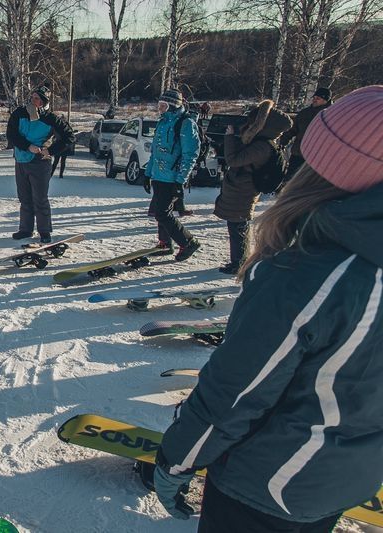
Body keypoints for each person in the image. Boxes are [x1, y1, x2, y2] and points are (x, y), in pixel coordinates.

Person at [153, 85, 383, 533]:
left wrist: (176, 461)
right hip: (341, 480)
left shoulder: (309, 275)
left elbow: (233, 397)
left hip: (264, 489)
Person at [214, 99, 292, 275]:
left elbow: (234, 160)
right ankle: (239, 260)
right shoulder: (260, 143)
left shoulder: (262, 147)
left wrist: (228, 137)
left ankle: (240, 263)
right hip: (239, 188)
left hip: (243, 190)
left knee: (238, 226)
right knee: (236, 225)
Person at [6, 85, 75, 243]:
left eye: (37, 98)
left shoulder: (50, 118)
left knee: (40, 198)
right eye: (32, 97)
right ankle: (25, 229)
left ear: (43, 102)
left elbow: (69, 136)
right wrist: (26, 146)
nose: (33, 100)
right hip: (21, 160)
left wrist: (51, 150)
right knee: (24, 197)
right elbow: (11, 134)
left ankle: (44, 231)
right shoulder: (19, 113)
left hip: (40, 162)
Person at [145, 88, 201, 261]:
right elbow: (155, 151)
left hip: (172, 177)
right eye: (159, 105)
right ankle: (165, 243)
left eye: (163, 106)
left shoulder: (185, 123)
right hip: (158, 175)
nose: (160, 109)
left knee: (163, 213)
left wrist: (180, 181)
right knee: (159, 212)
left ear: (172, 106)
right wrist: (148, 174)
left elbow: (190, 154)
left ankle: (188, 242)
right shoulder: (163, 122)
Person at [279, 87, 332, 183]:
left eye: (318, 98)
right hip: (298, 152)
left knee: (307, 183)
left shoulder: (331, 115)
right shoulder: (304, 113)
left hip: (317, 156)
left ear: (325, 100)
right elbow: (293, 129)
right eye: (314, 97)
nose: (315, 99)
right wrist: (284, 140)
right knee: (289, 180)